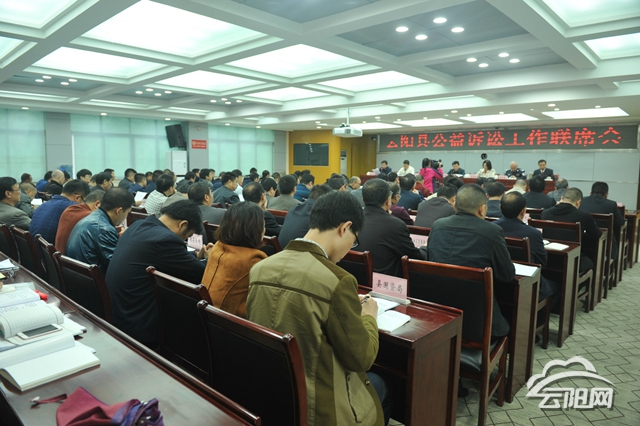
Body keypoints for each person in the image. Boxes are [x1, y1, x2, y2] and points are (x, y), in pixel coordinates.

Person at [247, 191, 390, 426]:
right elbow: (361, 358)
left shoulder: (260, 268)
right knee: (380, 385)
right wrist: (369, 316)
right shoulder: (337, 280)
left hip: (272, 396)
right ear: (345, 227)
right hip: (320, 410)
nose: (350, 248)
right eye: (354, 240)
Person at [106, 200, 214, 347]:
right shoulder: (166, 239)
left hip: (118, 314)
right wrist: (211, 258)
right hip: (138, 326)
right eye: (187, 236)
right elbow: (200, 272)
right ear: (183, 225)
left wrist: (196, 256)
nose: (184, 241)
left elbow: (165, 257)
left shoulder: (139, 225)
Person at [427, 183, 512, 337]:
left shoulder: (437, 226)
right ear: (482, 209)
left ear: (454, 205)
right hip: (476, 322)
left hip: (437, 311)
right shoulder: (492, 231)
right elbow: (507, 275)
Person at [201, 202, 267, 318]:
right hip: (229, 321)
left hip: (207, 315)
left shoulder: (217, 247)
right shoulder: (253, 259)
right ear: (256, 229)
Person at [495, 192, 558, 305]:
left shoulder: (492, 228)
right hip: (527, 281)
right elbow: (542, 263)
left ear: (500, 207)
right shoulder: (533, 233)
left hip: (498, 279)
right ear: (523, 211)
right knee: (555, 286)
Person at [356, 178, 427, 277]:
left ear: (363, 200)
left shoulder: (354, 219)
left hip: (357, 277)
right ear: (388, 200)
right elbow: (415, 256)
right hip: (385, 281)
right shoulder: (396, 225)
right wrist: (425, 248)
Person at [66, 188, 133, 275]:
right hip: (92, 280)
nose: (126, 216)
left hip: (78, 276)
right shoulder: (104, 229)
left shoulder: (93, 217)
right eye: (127, 212)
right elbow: (118, 266)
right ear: (119, 211)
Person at [541, 188, 601, 273]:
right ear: (578, 202)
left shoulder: (545, 213)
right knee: (590, 262)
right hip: (571, 261)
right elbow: (597, 234)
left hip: (547, 259)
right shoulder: (584, 216)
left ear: (562, 198)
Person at [579, 181, 625, 260]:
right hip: (605, 243)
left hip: (584, 241)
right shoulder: (611, 204)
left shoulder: (581, 201)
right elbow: (620, 223)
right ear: (606, 194)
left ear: (590, 192)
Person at [56, 190, 104, 255]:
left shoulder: (69, 209)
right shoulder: (91, 217)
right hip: (70, 259)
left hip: (60, 257)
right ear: (97, 204)